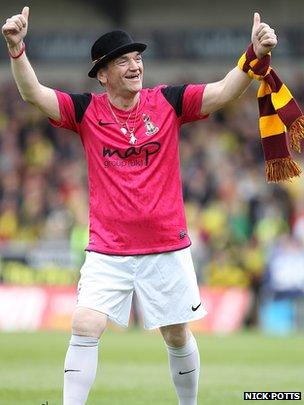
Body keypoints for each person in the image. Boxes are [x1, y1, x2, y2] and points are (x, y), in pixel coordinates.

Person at [2, 6, 277, 405]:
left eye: (138, 58)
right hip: (108, 248)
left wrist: (251, 55)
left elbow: (221, 91)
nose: (135, 66)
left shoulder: (167, 101)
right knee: (85, 323)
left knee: (177, 334)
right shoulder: (86, 111)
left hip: (166, 245)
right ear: (102, 73)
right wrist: (16, 48)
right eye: (123, 60)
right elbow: (33, 93)